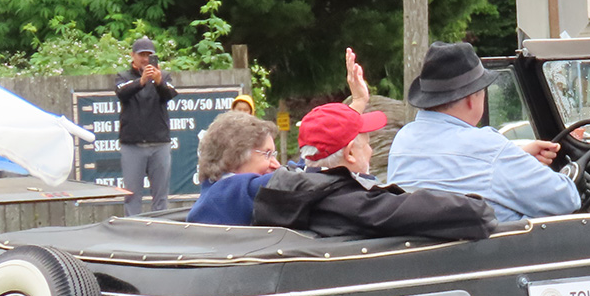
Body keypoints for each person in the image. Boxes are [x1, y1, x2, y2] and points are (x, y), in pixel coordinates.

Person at [188, 109, 495, 240]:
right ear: (233, 160)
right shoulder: (265, 195)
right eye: (267, 155)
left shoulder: (210, 202)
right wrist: (478, 211)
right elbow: (373, 210)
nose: (276, 164)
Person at [387, 41, 579, 222]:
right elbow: (566, 199)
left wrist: (517, 155)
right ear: (472, 99)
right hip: (500, 254)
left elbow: (457, 168)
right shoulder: (488, 147)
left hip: (426, 252)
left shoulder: (403, 140)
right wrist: (519, 161)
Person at [115, 36, 177, 216]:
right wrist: (141, 81)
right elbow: (121, 92)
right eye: (141, 55)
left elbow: (171, 93)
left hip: (160, 144)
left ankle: (160, 234)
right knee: (132, 196)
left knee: (161, 197)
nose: (145, 59)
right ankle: (133, 235)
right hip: (132, 145)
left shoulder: (164, 76)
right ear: (132, 55)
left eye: (149, 55)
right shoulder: (123, 76)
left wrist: (158, 82)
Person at [297, 101, 385, 183]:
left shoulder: (290, 188)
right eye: (367, 144)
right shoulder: (375, 198)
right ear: (350, 153)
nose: (370, 151)